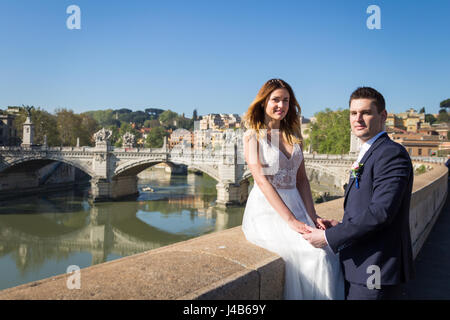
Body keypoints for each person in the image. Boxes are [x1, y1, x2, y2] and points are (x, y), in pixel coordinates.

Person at [303, 87, 415, 300]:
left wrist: (328, 237)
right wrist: (341, 226)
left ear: (383, 116)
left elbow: (381, 212)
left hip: (375, 268)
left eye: (365, 112)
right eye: (353, 113)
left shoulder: (390, 154)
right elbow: (366, 205)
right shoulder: (371, 152)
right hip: (360, 265)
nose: (358, 119)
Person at [241, 78, 344, 300]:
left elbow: (302, 181)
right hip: (267, 210)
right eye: (275, 100)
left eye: (286, 100)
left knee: (330, 250)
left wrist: (312, 214)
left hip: (296, 204)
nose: (281, 105)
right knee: (314, 257)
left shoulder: (293, 135)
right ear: (263, 103)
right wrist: (290, 221)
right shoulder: (252, 136)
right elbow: (261, 180)